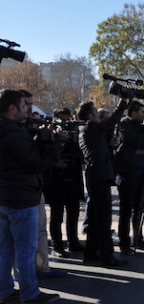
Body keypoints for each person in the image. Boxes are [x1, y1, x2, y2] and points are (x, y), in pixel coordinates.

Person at [0, 89, 60, 304]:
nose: (28, 110)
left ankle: (5, 290)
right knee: (25, 249)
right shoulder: (14, 134)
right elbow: (35, 164)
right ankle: (29, 292)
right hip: (21, 198)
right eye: (24, 105)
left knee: (5, 248)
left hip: (5, 197)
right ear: (12, 108)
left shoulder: (10, 130)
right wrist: (54, 147)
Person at [78, 97, 130, 267]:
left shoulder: (89, 130)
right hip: (98, 177)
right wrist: (122, 104)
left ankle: (91, 253)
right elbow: (111, 122)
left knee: (95, 218)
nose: (100, 117)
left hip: (97, 176)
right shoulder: (90, 127)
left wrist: (112, 145)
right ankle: (107, 256)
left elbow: (101, 150)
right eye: (96, 113)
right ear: (91, 116)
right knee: (103, 219)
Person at [114, 100, 144, 253]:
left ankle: (138, 238)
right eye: (141, 112)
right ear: (133, 113)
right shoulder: (124, 124)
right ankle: (124, 243)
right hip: (128, 172)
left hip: (142, 173)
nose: (143, 115)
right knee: (126, 211)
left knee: (139, 209)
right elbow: (133, 140)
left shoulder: (142, 127)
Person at [47, 108, 84, 257]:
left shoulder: (74, 132)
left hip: (73, 177)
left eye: (68, 120)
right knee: (57, 215)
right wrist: (55, 162)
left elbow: (80, 152)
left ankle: (73, 242)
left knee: (74, 213)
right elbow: (44, 152)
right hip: (56, 180)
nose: (65, 124)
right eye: (62, 120)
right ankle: (57, 245)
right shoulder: (49, 132)